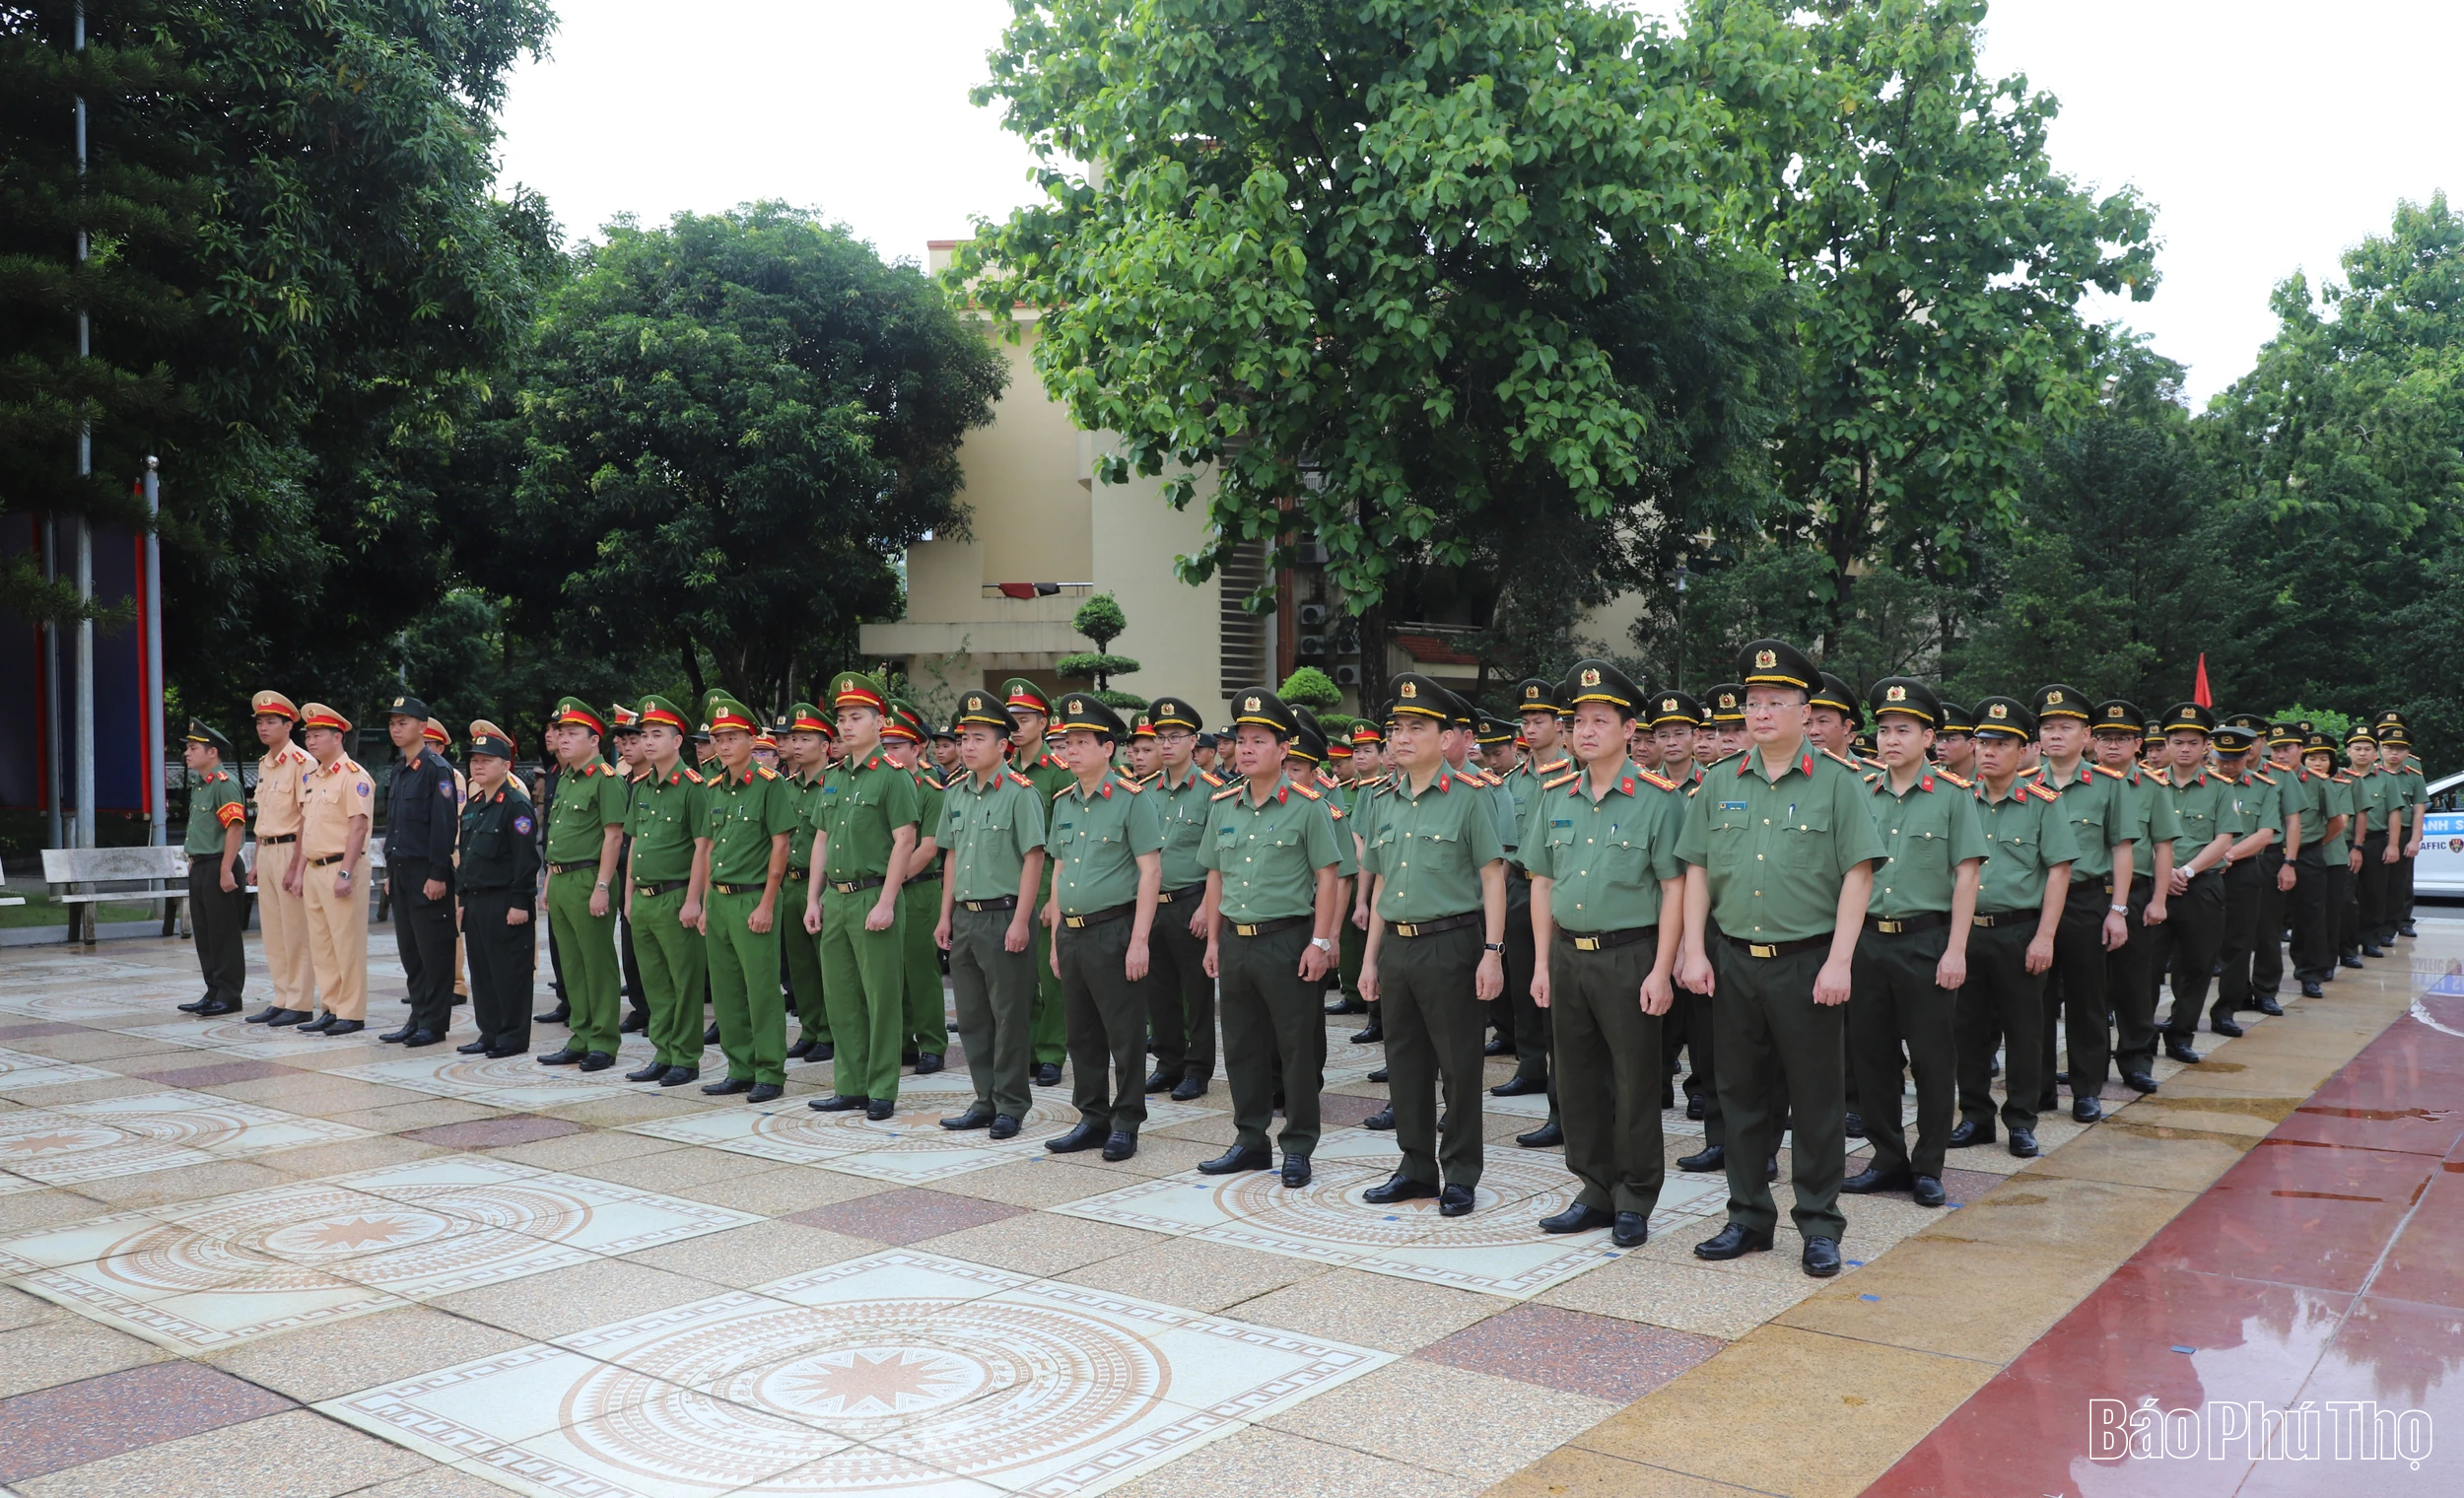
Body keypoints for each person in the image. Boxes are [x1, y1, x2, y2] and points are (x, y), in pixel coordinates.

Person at [1673, 640, 1882, 1277]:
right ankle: (1747, 1217)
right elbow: (1697, 871)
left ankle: (1820, 1223)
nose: (1760, 713)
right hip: (1735, 960)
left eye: (1775, 702)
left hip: (1807, 960)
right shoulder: (1717, 782)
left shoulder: (1838, 783)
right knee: (1739, 1096)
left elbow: (1859, 874)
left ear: (1802, 709)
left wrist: (1840, 960)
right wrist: (1692, 950)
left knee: (1816, 1100)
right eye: (1752, 702)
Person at [1524, 661, 1684, 1246]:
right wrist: (1541, 964)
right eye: (1579, 722)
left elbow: (1674, 889)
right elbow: (1541, 881)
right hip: (1568, 955)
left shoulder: (1658, 800)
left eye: (1600, 720)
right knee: (1577, 1079)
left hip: (1629, 955)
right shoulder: (1555, 796)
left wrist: (1663, 969)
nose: (1586, 731)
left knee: (1634, 1080)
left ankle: (1635, 1196)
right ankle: (1593, 1187)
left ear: (1628, 729)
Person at [1356, 672, 1509, 1216]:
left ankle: (1461, 1172)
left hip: (1451, 945)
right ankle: (1416, 1166)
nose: (1400, 738)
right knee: (1404, 1063)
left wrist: (1493, 952)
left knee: (1459, 1064)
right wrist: (1370, 959)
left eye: (1415, 728)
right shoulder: (1382, 800)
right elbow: (1377, 887)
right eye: (1397, 728)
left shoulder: (1471, 797)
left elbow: (1493, 876)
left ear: (1445, 738)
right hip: (1397, 945)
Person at [1197, 688, 1345, 1187]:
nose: (1246, 749)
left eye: (1259, 740)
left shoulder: (1308, 807)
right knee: (1241, 1045)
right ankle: (1250, 1140)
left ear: (1284, 749)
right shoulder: (1223, 805)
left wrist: (1322, 942)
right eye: (1241, 740)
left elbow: (1328, 876)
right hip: (1237, 941)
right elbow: (1215, 876)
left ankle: (1298, 1145)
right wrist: (1214, 941)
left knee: (1296, 1047)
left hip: (1288, 939)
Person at [1842, 678, 1981, 1207]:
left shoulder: (1951, 796)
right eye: (1885, 730)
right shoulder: (1859, 791)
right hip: (1868, 943)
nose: (1891, 740)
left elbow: (1966, 875)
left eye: (1904, 730)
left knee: (1930, 1058)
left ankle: (1928, 1164)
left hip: (1927, 942)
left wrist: (1957, 950)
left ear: (1929, 737)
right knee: (1871, 1056)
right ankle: (1886, 1157)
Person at [1948, 698, 2078, 1158]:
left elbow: (2058, 871)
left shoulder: (2042, 803)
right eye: (1983, 743)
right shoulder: (1958, 797)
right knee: (1968, 1030)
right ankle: (1976, 1117)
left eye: (2001, 744)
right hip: (1967, 931)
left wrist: (2045, 936)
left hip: (2019, 932)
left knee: (2025, 1031)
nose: (1988, 752)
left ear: (2023, 750)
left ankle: (2021, 1121)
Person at [1041, 693, 1165, 1162]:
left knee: (1125, 1034)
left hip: (1115, 930)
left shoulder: (1133, 801)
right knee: (1081, 1033)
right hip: (1071, 934)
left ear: (1106, 748)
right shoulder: (1064, 803)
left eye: (1079, 742)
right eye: (1066, 742)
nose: (1069, 751)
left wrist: (1139, 941)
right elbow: (1057, 870)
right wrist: (1055, 939)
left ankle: (1127, 1121)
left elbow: (1150, 871)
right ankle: (1092, 1117)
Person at [934, 688, 1050, 1138]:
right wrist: (945, 917)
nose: (967, 746)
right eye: (964, 738)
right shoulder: (956, 793)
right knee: (972, 1018)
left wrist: (1022, 920)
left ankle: (1012, 1104)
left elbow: (1035, 858)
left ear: (1003, 745)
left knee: (1009, 1017)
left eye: (978, 738)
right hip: (964, 917)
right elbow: (950, 856)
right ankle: (984, 1099)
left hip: (1004, 918)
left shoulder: (1021, 794)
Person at [805, 672, 921, 1119]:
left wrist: (888, 901)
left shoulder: (892, 776)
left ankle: (881, 1090)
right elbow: (820, 838)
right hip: (835, 898)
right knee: (841, 997)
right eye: (843, 718)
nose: (847, 726)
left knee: (881, 997)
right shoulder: (834, 777)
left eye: (857, 717)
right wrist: (814, 899)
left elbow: (905, 840)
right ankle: (849, 1084)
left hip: (873, 896)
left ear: (879, 723)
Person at [2028, 684, 2141, 1124]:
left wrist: (2118, 909)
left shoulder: (2108, 785)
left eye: (2066, 727)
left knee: (2086, 1000)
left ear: (2087, 735)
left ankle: (2086, 1089)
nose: (2056, 735)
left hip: (2084, 902)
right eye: (2048, 727)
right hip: (2033, 905)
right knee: (2033, 1001)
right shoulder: (2026, 784)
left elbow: (2121, 849)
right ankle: (2036, 1087)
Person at [695, 696, 798, 1103]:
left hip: (753, 898)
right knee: (726, 990)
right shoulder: (714, 787)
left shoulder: (769, 786)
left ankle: (770, 1071)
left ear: (751, 740)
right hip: (719, 900)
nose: (723, 745)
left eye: (732, 737)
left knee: (761, 990)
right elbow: (709, 848)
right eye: (718, 738)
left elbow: (781, 846)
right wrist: (704, 904)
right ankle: (739, 1067)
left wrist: (768, 904)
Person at [538, 699, 629, 1070]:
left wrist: (603, 886)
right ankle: (580, 1035)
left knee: (597, 962)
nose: (563, 740)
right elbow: (557, 834)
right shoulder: (567, 778)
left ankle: (603, 1042)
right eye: (560, 733)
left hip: (590, 877)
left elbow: (613, 837)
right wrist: (547, 882)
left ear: (594, 740)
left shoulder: (606, 779)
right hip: (560, 879)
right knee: (571, 965)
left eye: (572, 733)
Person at [623, 696, 709, 1086]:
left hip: (675, 897)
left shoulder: (694, 787)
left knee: (684, 981)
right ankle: (663, 1051)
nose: (649, 741)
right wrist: (627, 896)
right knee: (654, 982)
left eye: (658, 734)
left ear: (678, 741)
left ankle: (685, 1057)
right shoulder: (640, 786)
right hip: (642, 897)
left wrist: (694, 900)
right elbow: (636, 843)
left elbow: (703, 848)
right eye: (645, 735)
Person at [2144, 704, 2234, 1063]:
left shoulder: (2220, 788)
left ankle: (2180, 1035)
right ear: (2165, 744)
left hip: (2201, 885)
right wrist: (2163, 874)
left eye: (2192, 742)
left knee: (2196, 966)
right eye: (2177, 741)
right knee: (2146, 968)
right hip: (2153, 888)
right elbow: (2135, 837)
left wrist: (2187, 872)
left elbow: (2224, 838)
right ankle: (2142, 1037)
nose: (2184, 748)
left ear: (2205, 746)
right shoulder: (2147, 784)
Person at [1140, 695, 1219, 1102]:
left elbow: (1218, 859)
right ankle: (1168, 1063)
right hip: (1153, 905)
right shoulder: (1144, 792)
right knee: (1160, 991)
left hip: (1192, 903)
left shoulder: (1212, 792)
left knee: (1197, 992)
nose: (1166, 745)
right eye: (1161, 738)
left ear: (1194, 742)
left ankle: (1198, 1068)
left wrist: (1208, 907)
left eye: (1176, 737)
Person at [1004, 678, 1074, 1085]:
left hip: (1048, 874)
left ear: (1044, 722)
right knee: (1018, 973)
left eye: (1024, 719)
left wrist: (1055, 896)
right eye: (1011, 719)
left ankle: (1051, 1051)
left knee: (1052, 976)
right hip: (1008, 879)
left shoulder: (1058, 773)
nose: (1016, 726)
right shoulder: (1005, 769)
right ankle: (1028, 1047)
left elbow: (1064, 841)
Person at [380, 696, 461, 1048]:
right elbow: (396, 826)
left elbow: (443, 826)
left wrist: (438, 874)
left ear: (422, 727)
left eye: (403, 722)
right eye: (393, 723)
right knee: (411, 951)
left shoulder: (436, 769)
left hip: (427, 873)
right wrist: (388, 872)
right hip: (401, 871)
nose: (396, 729)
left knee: (434, 952)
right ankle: (417, 1016)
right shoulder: (399, 769)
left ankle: (434, 1022)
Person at [456, 729, 540, 1058]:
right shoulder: (475, 804)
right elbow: (467, 854)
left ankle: (512, 1036)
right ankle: (489, 1032)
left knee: (510, 971)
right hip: (476, 899)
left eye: (486, 760)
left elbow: (526, 857)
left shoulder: (515, 804)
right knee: (483, 971)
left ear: (505, 765)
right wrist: (462, 899)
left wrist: (521, 900)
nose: (478, 766)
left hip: (505, 899)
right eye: (474, 760)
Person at [292, 704, 373, 1036]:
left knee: (346, 942)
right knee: (321, 944)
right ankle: (330, 1006)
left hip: (341, 867)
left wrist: (345, 872)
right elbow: (305, 825)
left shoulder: (354, 776)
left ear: (337, 737)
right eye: (308, 735)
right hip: (314, 868)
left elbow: (358, 827)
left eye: (317, 735)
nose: (311, 741)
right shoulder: (312, 777)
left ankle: (351, 1012)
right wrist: (299, 872)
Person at [243, 692, 319, 1026]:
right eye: (260, 722)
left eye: (271, 722)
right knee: (273, 931)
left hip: (291, 848)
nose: (264, 727)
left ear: (289, 725)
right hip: (268, 850)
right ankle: (281, 996)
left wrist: (297, 868)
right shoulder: (264, 763)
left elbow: (306, 818)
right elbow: (262, 818)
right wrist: (257, 861)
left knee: (295, 931)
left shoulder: (303, 763)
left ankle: (300, 1001)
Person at [882, 701, 949, 1075]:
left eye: (897, 746)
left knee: (921, 970)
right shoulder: (884, 781)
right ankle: (903, 1039)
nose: (889, 752)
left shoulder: (930, 787)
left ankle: (932, 1043)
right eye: (885, 745)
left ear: (916, 748)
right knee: (892, 970)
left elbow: (927, 848)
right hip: (885, 888)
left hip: (919, 888)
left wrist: (891, 882)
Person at [2210, 715, 2284, 1036]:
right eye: (2223, 759)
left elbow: (2266, 833)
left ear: (2249, 754)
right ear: (2213, 754)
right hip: (2200, 874)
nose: (2229, 766)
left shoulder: (2263, 787)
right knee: (2193, 947)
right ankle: (2181, 1013)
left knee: (2238, 945)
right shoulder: (2200, 784)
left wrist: (2228, 854)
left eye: (2236, 758)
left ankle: (2226, 1009)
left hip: (2242, 872)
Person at [174, 720, 249, 1017]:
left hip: (221, 864)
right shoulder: (200, 785)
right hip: (201, 866)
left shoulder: (224, 784)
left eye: (193, 748)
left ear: (212, 752)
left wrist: (227, 869)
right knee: (205, 934)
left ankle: (230, 995)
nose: (187, 753)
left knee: (224, 934)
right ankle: (213, 990)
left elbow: (234, 828)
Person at [778, 703, 835, 1065]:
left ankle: (830, 1031)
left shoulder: (834, 785)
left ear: (826, 745)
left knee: (825, 963)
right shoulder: (787, 786)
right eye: (794, 738)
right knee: (799, 965)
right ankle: (810, 1029)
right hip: (791, 884)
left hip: (824, 885)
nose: (797, 745)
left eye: (806, 739)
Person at [2286, 727, 2346, 997]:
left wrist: (2313, 846)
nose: (2281, 754)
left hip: (2308, 853)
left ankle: (2311, 974)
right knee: (2264, 921)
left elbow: (2335, 822)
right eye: (2275, 749)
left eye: (2287, 748)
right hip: (2270, 853)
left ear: (2301, 750)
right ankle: (2260, 984)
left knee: (2311, 916)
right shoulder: (2262, 780)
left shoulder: (2318, 781)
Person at [2343, 725, 2393, 961]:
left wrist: (2393, 844)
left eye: (2367, 749)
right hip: (2345, 842)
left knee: (2374, 894)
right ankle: (2348, 943)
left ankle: (2371, 940)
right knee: (2347, 897)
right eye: (2357, 748)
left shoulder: (2385, 778)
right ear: (2347, 751)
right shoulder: (2339, 777)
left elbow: (2394, 812)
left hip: (2375, 840)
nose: (2362, 753)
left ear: (2376, 752)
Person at [1934, 703, 1977, 782]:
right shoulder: (1932, 777)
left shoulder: (1989, 777)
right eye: (1938, 739)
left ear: (1971, 744)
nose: (1940, 747)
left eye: (1951, 739)